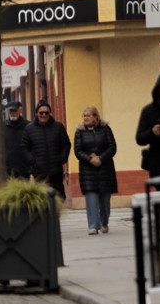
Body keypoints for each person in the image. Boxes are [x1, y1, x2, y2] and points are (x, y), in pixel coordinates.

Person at [74, 106, 118, 235]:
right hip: (88, 169)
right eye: (84, 115)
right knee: (91, 198)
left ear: (95, 117)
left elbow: (112, 147)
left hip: (105, 168)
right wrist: (90, 159)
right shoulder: (79, 132)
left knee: (105, 200)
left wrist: (101, 158)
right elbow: (77, 150)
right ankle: (93, 225)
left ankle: (104, 222)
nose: (85, 118)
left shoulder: (105, 129)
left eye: (88, 115)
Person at [22, 100, 71, 200]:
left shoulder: (58, 127)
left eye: (46, 113)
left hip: (56, 171)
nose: (44, 115)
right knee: (42, 200)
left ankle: (56, 216)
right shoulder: (29, 128)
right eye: (41, 113)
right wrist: (33, 161)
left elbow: (66, 144)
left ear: (50, 113)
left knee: (59, 198)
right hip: (39, 173)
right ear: (36, 113)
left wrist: (62, 159)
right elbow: (24, 147)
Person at [4, 101, 29, 178]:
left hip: (24, 170)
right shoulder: (2, 126)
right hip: (7, 170)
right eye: (10, 111)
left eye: (14, 110)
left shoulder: (28, 126)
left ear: (20, 110)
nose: (12, 113)